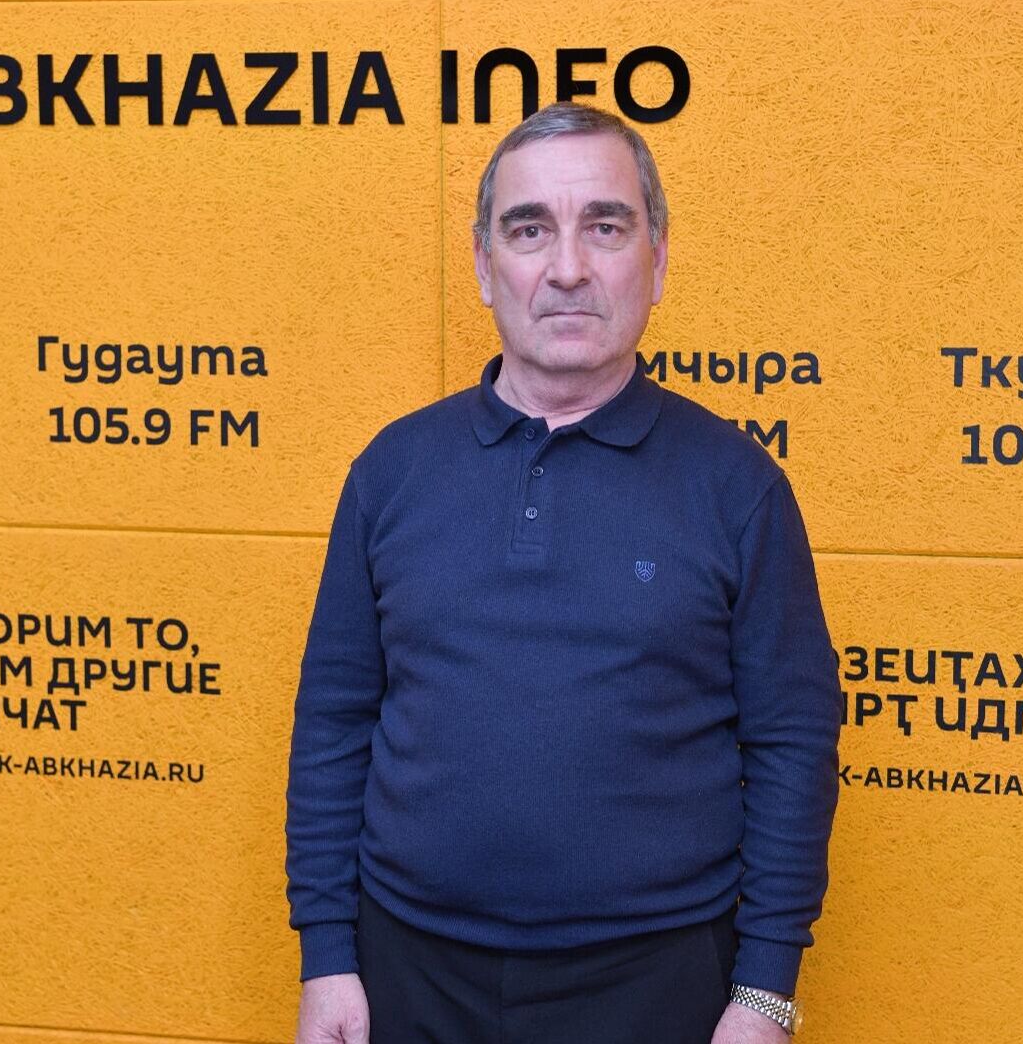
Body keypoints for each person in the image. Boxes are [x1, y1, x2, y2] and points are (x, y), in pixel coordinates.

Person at [285, 100, 841, 1044]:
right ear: (482, 264)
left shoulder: (738, 487)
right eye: (530, 228)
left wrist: (764, 995)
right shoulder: (392, 470)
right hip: (407, 975)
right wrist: (328, 956)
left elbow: (792, 745)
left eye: (606, 227)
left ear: (657, 261)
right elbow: (335, 723)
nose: (569, 267)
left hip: (658, 984)